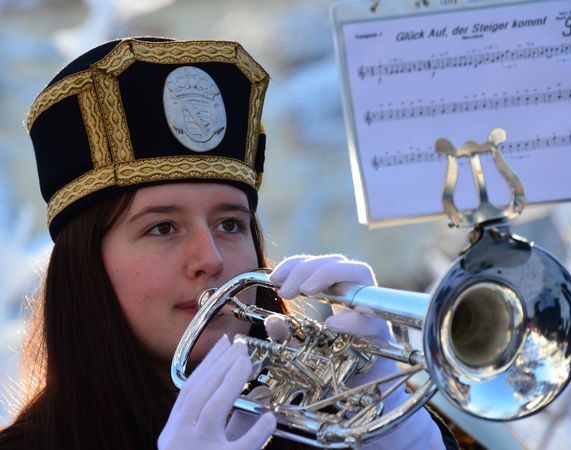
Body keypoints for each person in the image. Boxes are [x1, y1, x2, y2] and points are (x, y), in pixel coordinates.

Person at [0, 37, 453, 449]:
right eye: (162, 228)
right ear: (87, 268)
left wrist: (399, 430)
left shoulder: (320, 426)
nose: (211, 259)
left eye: (231, 225)